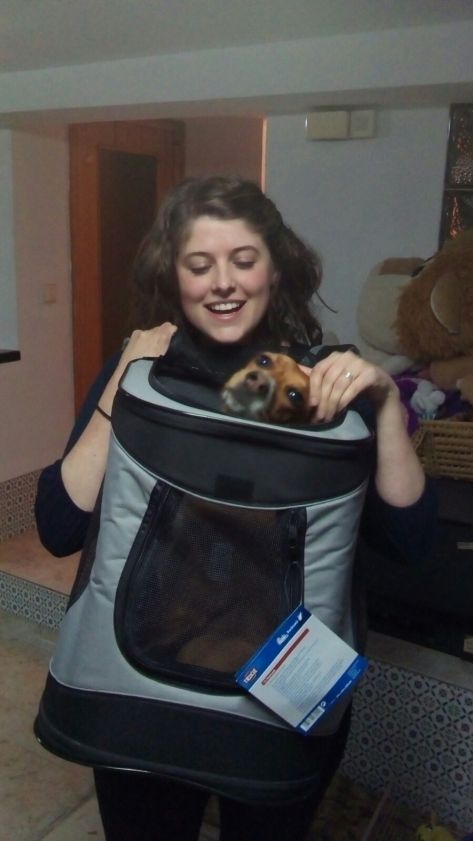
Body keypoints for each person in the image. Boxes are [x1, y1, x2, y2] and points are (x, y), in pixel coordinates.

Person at [35, 176, 435, 841]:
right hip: (142, 685)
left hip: (280, 694)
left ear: (276, 269)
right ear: (174, 276)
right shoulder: (143, 373)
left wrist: (386, 407)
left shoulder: (321, 387)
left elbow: (409, 545)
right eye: (199, 264)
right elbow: (57, 527)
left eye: (242, 260)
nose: (222, 282)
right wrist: (122, 381)